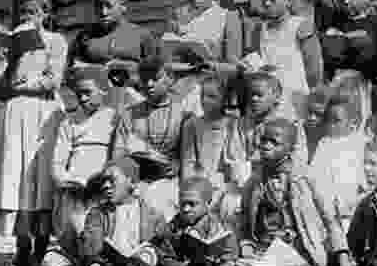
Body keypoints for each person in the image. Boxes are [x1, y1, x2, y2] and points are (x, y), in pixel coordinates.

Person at [61, 158, 225, 266]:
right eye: (104, 181)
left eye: (112, 180)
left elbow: (164, 255)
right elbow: (91, 247)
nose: (106, 185)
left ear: (131, 182)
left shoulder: (154, 216)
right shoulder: (97, 214)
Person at [0, 0, 68, 266]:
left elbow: (53, 80)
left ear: (46, 14)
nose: (28, 17)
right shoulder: (11, 44)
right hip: (16, 114)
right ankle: (22, 250)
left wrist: (23, 85)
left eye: (34, 12)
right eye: (23, 13)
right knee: (17, 177)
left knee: (40, 178)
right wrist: (10, 73)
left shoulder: (55, 42)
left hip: (44, 114)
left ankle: (42, 248)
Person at [236, 118, 350, 266]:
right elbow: (244, 225)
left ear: (290, 148)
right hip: (266, 255)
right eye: (263, 140)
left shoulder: (308, 178)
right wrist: (246, 247)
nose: (266, 145)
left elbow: (331, 221)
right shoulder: (253, 183)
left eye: (274, 142)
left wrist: (342, 256)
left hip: (301, 255)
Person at [111, 54, 195, 222]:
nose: (149, 84)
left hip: (170, 183)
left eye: (155, 79)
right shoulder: (129, 114)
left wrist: (178, 166)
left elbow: (188, 159)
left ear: (170, 79)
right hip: (135, 183)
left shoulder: (184, 115)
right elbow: (117, 155)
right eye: (144, 79)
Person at [150, 176, 240, 266]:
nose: (186, 209)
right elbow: (164, 259)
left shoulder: (222, 227)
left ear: (208, 203)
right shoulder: (171, 228)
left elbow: (230, 257)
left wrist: (216, 265)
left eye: (192, 204)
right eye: (182, 203)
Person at [68, 0, 159, 111]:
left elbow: (157, 74)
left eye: (108, 6)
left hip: (134, 104)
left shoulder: (141, 35)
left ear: (123, 6)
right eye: (98, 6)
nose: (103, 12)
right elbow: (71, 73)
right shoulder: (85, 37)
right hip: (97, 107)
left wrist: (132, 72)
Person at [165, 0, 244, 115]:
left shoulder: (228, 17)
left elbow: (235, 67)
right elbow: (167, 59)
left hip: (212, 85)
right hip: (180, 82)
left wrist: (210, 65)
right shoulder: (179, 16)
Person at [51, 65, 116, 240]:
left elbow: (121, 155)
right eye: (79, 93)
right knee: (73, 227)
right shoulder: (69, 123)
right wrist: (68, 180)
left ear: (103, 91)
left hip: (103, 187)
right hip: (75, 188)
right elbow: (58, 163)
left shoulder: (114, 119)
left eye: (88, 92)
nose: (82, 98)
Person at [246, 0, 323, 119]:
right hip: (265, 99)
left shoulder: (300, 26)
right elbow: (257, 60)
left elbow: (314, 70)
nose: (267, 3)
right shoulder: (259, 29)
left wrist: (311, 98)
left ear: (288, 1)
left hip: (294, 100)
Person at [180, 73, 247, 232]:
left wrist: (224, 185)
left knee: (229, 205)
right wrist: (189, 187)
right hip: (199, 179)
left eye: (211, 97)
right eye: (202, 95)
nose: (204, 101)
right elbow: (188, 161)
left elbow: (236, 161)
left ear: (224, 99)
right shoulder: (192, 125)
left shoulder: (234, 124)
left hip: (223, 183)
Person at [309, 93, 369, 232]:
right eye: (328, 120)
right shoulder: (324, 144)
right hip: (326, 210)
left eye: (336, 121)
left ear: (354, 123)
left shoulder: (362, 144)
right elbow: (314, 177)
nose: (330, 125)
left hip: (353, 209)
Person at [239, 68, 308, 175]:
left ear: (276, 97)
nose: (254, 99)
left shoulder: (290, 126)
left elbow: (298, 160)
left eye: (259, 95)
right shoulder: (243, 124)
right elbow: (235, 156)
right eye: (251, 95)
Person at [304, 84, 331, 163]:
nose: (312, 118)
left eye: (318, 114)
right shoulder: (300, 131)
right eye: (309, 111)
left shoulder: (334, 140)